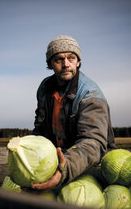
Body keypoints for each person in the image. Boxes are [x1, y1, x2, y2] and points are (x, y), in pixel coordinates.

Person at [31, 35, 115, 191]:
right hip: (58, 160)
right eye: (58, 59)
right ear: (50, 63)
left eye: (71, 58)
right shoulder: (45, 88)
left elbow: (93, 144)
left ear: (78, 61)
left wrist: (64, 168)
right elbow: (40, 130)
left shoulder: (90, 94)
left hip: (90, 165)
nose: (66, 64)